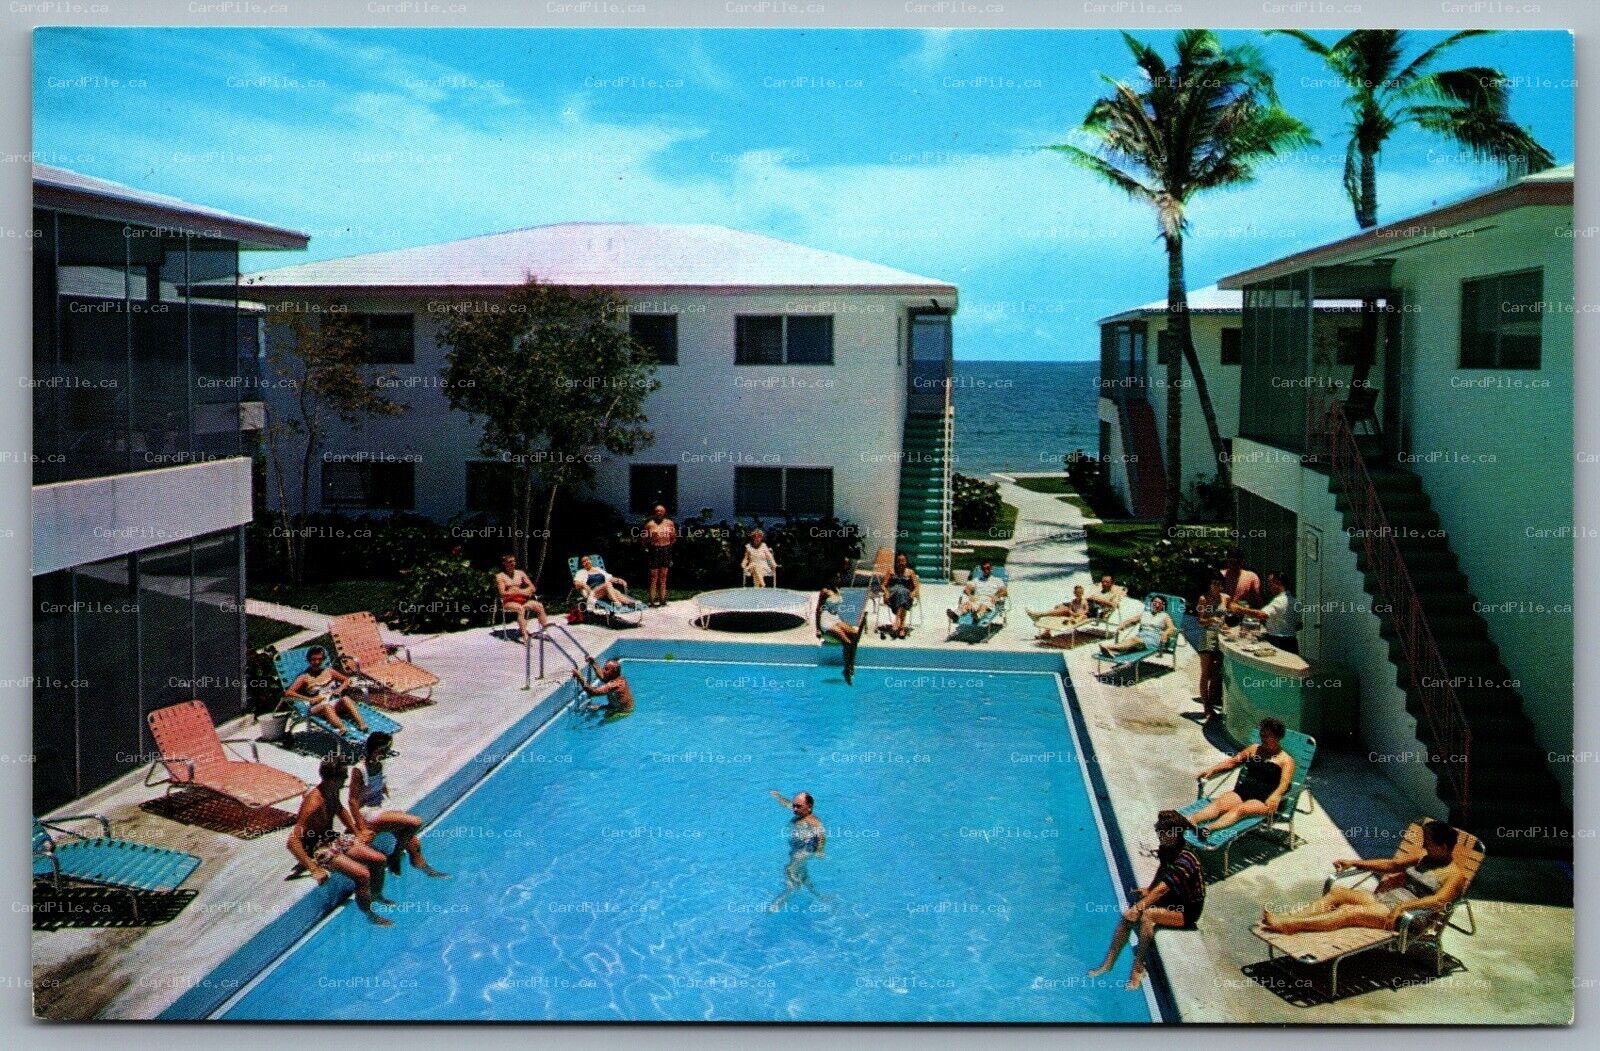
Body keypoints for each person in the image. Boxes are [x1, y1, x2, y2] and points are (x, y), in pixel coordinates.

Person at [1262, 821, 1468, 936]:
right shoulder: (1424, 857)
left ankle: (1290, 926)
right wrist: (1355, 863)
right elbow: (1392, 865)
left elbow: (1439, 900)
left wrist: (1404, 908)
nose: (1423, 846)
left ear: (1443, 847)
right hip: (1388, 903)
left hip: (1408, 918)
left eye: (1428, 843)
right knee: (1338, 892)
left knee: (1349, 912)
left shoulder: (1455, 875)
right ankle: (1290, 917)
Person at [1089, 810, 1205, 989]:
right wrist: (1148, 889)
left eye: (1163, 834)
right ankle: (1108, 963)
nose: (1160, 837)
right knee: (1127, 917)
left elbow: (1162, 890)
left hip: (1188, 909)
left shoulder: (1186, 859)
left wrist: (1139, 907)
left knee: (1147, 916)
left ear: (1174, 834)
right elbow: (1162, 870)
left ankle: (1138, 967)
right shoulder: (1167, 847)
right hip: (1172, 897)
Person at [288, 755, 393, 927]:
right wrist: (313, 869)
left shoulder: (331, 790)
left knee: (379, 860)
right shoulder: (314, 802)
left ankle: (374, 897)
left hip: (332, 838)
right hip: (317, 848)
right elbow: (292, 841)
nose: (346, 780)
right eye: (344, 777)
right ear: (333, 779)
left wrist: (357, 831)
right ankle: (369, 915)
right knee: (362, 875)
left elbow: (340, 809)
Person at [349, 731, 448, 879]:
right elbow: (352, 800)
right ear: (375, 749)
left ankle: (423, 868)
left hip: (381, 807)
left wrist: (391, 806)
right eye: (384, 750)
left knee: (413, 842)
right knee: (415, 822)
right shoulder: (359, 769)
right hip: (368, 812)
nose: (387, 753)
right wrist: (361, 827)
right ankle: (395, 855)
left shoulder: (379, 764)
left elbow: (381, 787)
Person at [1188, 717, 1295, 838]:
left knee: (1240, 810)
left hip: (1265, 799)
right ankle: (1190, 821)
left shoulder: (1286, 760)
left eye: (1266, 736)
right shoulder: (1254, 749)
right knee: (1219, 804)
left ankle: (1208, 829)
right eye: (1262, 734)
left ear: (1277, 738)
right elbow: (1233, 762)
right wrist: (1212, 770)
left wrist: (1276, 796)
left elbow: (1284, 783)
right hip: (1244, 791)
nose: (1262, 738)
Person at [285, 645, 368, 735]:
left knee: (346, 699)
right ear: (309, 660)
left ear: (323, 659)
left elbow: (346, 680)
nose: (317, 662)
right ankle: (342, 729)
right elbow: (288, 693)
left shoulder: (329, 671)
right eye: (313, 659)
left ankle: (362, 724)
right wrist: (309, 699)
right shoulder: (304, 677)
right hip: (318, 707)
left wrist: (340, 689)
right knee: (326, 707)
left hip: (333, 702)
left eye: (320, 659)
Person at [768, 789, 826, 912]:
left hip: (806, 850)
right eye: (794, 806)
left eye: (798, 806)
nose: (794, 809)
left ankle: (782, 899)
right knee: (803, 874)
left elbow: (821, 834)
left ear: (809, 807)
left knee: (789, 870)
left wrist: (820, 850)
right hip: (797, 849)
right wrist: (778, 796)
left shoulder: (813, 821)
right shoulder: (799, 812)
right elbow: (787, 804)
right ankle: (820, 897)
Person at [816, 575, 869, 685]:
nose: (839, 579)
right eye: (836, 577)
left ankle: (851, 665)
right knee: (847, 642)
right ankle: (846, 669)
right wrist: (817, 629)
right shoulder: (824, 591)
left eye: (839, 577)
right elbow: (818, 610)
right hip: (826, 620)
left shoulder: (837, 590)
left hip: (836, 618)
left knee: (855, 635)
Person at [1232, 570, 1300, 654]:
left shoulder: (1279, 600)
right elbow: (1299, 625)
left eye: (1270, 584)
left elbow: (1261, 614)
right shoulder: (1296, 601)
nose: (1269, 587)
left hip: (1278, 642)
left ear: (1277, 583)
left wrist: (1240, 609)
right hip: (1292, 643)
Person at [1194, 576, 1227, 720]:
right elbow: (1199, 621)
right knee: (1205, 672)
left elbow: (1227, 616)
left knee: (1215, 673)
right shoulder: (1204, 599)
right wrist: (1210, 619)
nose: (1216, 586)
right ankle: (1206, 707)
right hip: (1207, 635)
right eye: (1213, 583)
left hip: (1220, 636)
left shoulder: (1225, 598)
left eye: (1218, 584)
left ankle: (1212, 703)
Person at [1099, 595, 1176, 656]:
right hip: (1141, 636)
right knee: (1131, 640)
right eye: (1155, 602)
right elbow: (1131, 620)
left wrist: (1165, 633)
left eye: (1160, 603)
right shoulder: (1145, 614)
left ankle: (1109, 647)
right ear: (1151, 603)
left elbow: (1171, 627)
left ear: (1163, 606)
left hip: (1154, 639)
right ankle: (1114, 651)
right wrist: (1122, 625)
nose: (1157, 605)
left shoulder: (1165, 616)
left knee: (1134, 640)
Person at [495, 553, 549, 639]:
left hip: (522, 600)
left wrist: (518, 591)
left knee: (539, 606)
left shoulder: (520, 573)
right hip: (509, 602)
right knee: (520, 609)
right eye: (510, 562)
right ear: (504, 563)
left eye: (514, 561)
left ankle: (545, 631)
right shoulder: (500, 576)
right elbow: (502, 593)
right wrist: (523, 592)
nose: (513, 563)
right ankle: (525, 635)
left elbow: (533, 588)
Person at [641, 504, 677, 608]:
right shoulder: (649, 524)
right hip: (654, 551)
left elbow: (673, 538)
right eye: (657, 511)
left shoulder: (669, 523)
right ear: (654, 512)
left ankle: (662, 601)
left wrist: (666, 547)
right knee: (653, 577)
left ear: (664, 512)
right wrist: (648, 549)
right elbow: (643, 540)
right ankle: (651, 601)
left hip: (665, 550)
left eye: (661, 511)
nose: (659, 513)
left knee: (663, 577)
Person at [879, 551, 920, 640]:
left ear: (906, 561)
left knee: (902, 593)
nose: (901, 563)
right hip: (892, 596)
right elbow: (883, 585)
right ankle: (901, 628)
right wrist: (886, 592)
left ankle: (897, 623)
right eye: (899, 561)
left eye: (903, 561)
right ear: (896, 562)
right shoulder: (891, 571)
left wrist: (913, 592)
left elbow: (917, 587)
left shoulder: (910, 572)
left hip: (906, 596)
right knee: (901, 593)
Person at [572, 555, 637, 608]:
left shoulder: (598, 569)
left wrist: (620, 580)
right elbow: (576, 584)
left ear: (591, 561)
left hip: (604, 589)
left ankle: (629, 603)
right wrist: (584, 585)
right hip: (593, 592)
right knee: (608, 584)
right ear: (582, 564)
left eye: (588, 560)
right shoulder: (581, 572)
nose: (587, 562)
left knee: (615, 592)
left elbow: (609, 578)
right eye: (584, 561)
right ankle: (616, 602)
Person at [1220, 548, 1262, 617]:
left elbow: (1258, 600)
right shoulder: (1220, 576)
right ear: (1227, 561)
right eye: (1231, 561)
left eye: (1236, 562)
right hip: (1223, 616)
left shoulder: (1251, 577)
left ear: (1242, 561)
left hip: (1243, 616)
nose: (1233, 565)